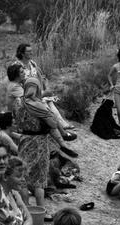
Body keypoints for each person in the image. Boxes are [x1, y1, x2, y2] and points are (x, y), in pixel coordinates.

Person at [15, 76, 78, 213]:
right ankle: (41, 211)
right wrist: (61, 141)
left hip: (25, 141)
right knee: (40, 181)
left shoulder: (19, 104)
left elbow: (18, 124)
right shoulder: (40, 106)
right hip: (41, 143)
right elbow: (52, 124)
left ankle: (25, 211)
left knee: (23, 178)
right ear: (38, 89)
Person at [14, 43, 75, 130]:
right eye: (29, 51)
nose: (31, 53)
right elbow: (16, 81)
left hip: (37, 90)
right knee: (44, 102)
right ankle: (58, 126)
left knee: (49, 101)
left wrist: (45, 87)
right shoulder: (17, 66)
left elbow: (41, 76)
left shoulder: (32, 63)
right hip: (27, 93)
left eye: (31, 51)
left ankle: (61, 123)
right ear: (22, 53)